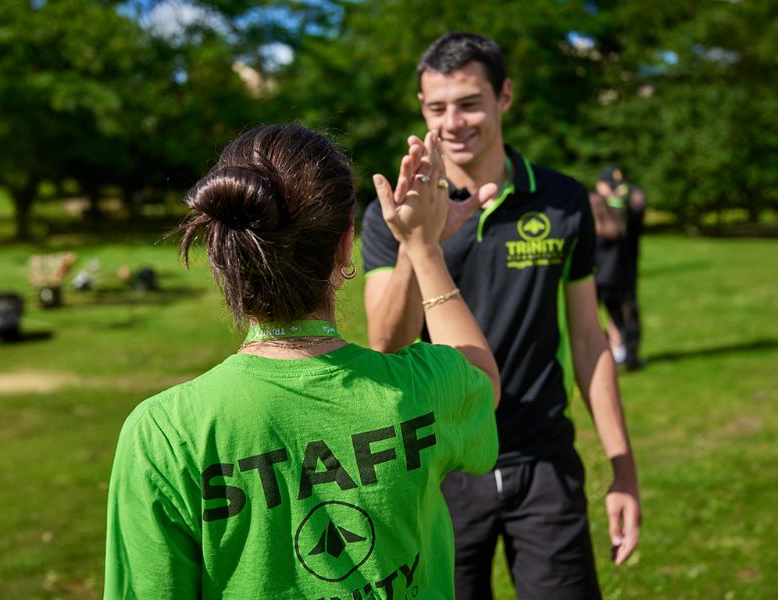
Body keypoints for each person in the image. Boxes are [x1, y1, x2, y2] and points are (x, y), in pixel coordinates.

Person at [104, 124, 502, 599]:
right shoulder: (418, 390)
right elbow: (480, 375)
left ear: (221, 252)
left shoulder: (164, 434)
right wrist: (424, 247)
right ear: (343, 245)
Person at [361, 33, 641, 599]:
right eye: (437, 107)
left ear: (504, 97)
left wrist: (623, 469)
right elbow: (385, 344)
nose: (453, 122)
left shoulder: (561, 201)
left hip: (543, 462)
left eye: (469, 102)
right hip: (439, 464)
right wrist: (421, 243)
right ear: (422, 109)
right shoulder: (392, 213)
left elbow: (588, 341)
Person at [595, 166, 646, 370]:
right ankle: (606, 356)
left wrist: (621, 199)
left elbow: (638, 201)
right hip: (596, 274)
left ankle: (627, 355)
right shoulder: (594, 206)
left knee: (624, 318)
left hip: (621, 275)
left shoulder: (626, 208)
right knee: (590, 321)